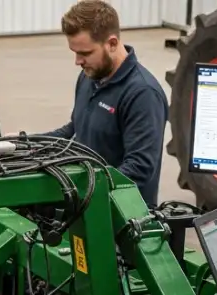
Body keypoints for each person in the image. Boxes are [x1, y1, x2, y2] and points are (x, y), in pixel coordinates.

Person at [36, 0, 168, 208]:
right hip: (87, 205)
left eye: (85, 53)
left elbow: (139, 169)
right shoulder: (89, 77)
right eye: (75, 52)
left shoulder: (143, 94)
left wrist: (84, 190)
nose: (78, 61)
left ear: (112, 43)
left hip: (121, 217)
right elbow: (72, 130)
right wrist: (23, 143)